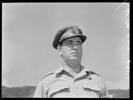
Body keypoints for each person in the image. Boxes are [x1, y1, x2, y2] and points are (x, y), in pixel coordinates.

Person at [33, 25, 109, 98]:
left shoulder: (97, 81)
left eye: (78, 43)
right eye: (70, 43)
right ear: (59, 49)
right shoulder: (46, 83)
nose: (75, 47)